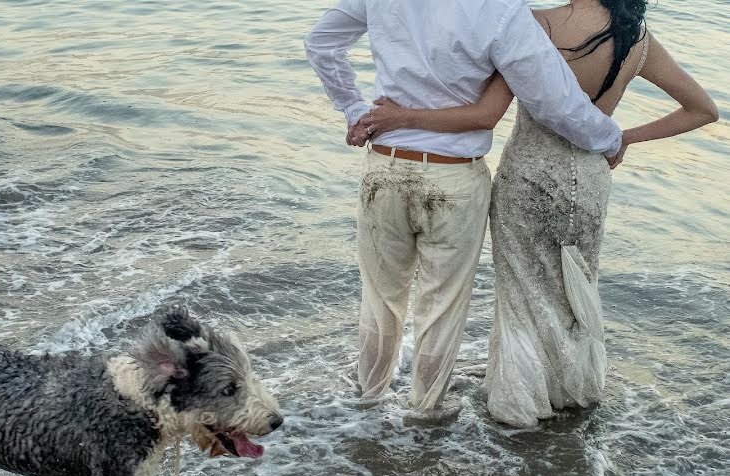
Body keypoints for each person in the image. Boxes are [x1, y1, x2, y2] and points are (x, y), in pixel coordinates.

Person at [359, 0, 719, 426]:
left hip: (529, 173)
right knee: (572, 286)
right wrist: (623, 138)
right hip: (589, 176)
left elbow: (486, 110)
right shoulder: (638, 40)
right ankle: (568, 389)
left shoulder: (537, 23)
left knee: (521, 288)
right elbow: (704, 110)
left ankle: (518, 396)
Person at [304, 0, 624, 413]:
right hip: (453, 176)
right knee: (442, 306)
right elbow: (555, 100)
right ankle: (426, 409)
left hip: (384, 166)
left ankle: (367, 402)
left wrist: (352, 108)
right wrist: (610, 138)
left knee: (380, 298)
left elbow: (320, 44)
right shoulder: (502, 10)